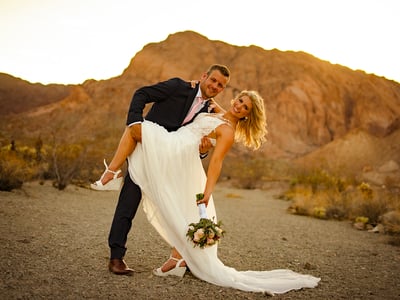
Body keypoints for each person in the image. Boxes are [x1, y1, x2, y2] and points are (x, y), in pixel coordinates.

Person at [126, 90, 321, 295]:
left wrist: (207, 192)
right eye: (240, 101)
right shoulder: (221, 114)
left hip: (185, 162)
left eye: (245, 108)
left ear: (247, 115)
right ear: (235, 99)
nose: (239, 106)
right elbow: (215, 108)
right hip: (181, 156)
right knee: (180, 208)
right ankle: (179, 258)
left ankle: (178, 258)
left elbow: (216, 162)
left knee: (179, 205)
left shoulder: (228, 132)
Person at [91, 64, 231, 275]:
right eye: (213, 80)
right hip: (146, 154)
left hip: (171, 165)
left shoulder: (209, 110)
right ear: (204, 76)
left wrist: (203, 152)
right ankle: (116, 257)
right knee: (127, 205)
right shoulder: (177, 86)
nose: (215, 86)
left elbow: (193, 139)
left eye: (220, 85)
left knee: (179, 209)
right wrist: (135, 122)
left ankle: (184, 258)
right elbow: (142, 93)